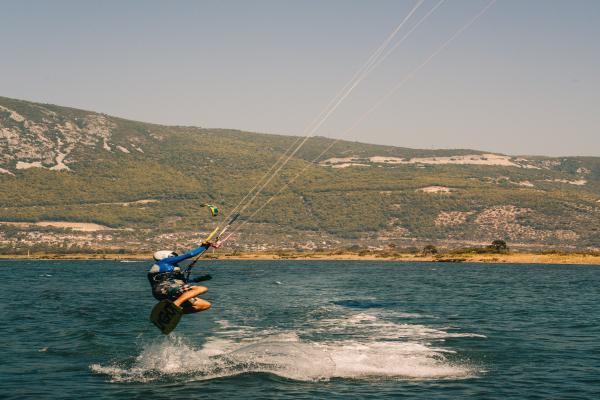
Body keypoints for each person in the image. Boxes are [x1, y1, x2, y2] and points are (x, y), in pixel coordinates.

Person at [148, 242, 213, 314]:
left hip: (167, 293)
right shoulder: (164, 262)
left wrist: (199, 279)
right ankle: (175, 305)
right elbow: (189, 255)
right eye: (173, 256)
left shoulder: (172, 269)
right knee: (201, 289)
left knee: (205, 305)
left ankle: (172, 312)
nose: (175, 258)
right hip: (165, 289)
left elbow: (184, 281)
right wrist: (203, 247)